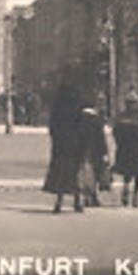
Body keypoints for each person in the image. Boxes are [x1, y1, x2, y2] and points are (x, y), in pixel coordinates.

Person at [43, 79, 87, 214]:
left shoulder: (57, 108)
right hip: (75, 145)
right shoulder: (78, 106)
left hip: (60, 146)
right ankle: (77, 201)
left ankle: (59, 202)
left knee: (60, 174)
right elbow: (82, 127)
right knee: (75, 173)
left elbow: (52, 128)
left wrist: (56, 141)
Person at [111, 90, 138, 208]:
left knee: (127, 172)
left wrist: (120, 144)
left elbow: (116, 133)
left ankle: (126, 189)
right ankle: (135, 195)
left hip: (126, 148)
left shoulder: (121, 117)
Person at [77, 99, 110, 207]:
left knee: (82, 173)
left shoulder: (77, 119)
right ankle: (93, 196)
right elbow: (101, 138)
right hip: (95, 151)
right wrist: (105, 153)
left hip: (81, 150)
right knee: (94, 174)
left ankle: (83, 196)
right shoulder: (97, 120)